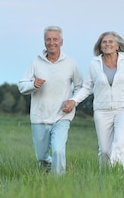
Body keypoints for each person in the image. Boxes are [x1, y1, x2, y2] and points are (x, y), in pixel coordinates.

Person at [63, 31, 124, 171]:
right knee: (104, 150)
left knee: (120, 143)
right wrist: (74, 101)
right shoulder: (94, 64)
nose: (107, 44)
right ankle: (105, 174)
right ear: (100, 46)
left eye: (111, 42)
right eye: (104, 42)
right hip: (102, 110)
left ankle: (121, 175)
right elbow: (86, 87)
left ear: (117, 46)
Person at [18, 26, 82, 175]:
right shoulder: (36, 62)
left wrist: (73, 101)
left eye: (55, 39)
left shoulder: (71, 63)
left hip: (62, 116)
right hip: (39, 116)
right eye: (48, 39)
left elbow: (80, 87)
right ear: (44, 42)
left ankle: (58, 184)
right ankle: (48, 173)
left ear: (61, 42)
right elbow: (21, 85)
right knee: (41, 158)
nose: (51, 42)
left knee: (59, 151)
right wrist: (33, 84)